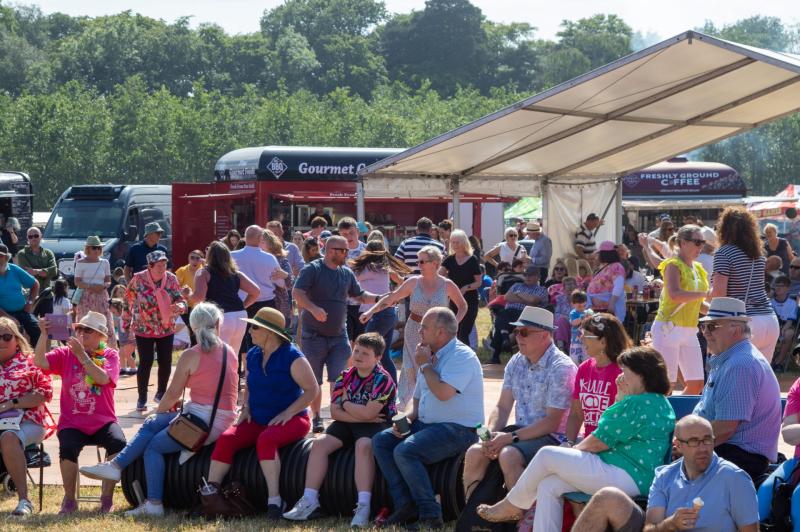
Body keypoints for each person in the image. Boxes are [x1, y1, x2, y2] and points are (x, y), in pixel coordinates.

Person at [477, 346, 675, 531]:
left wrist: (570, 451)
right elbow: (614, 430)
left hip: (625, 474)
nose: (621, 377)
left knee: (547, 454)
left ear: (642, 373)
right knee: (550, 484)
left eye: (626, 372)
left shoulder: (638, 403)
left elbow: (599, 441)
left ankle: (513, 505)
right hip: (631, 475)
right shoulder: (658, 402)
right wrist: (621, 397)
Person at [79, 303, 239, 517]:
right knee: (153, 424)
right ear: (218, 324)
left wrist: (157, 411)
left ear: (192, 327)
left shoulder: (192, 355)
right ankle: (116, 466)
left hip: (203, 423)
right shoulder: (229, 351)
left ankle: (153, 502)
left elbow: (172, 394)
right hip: (219, 419)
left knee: (153, 446)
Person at [373, 308, 484, 529]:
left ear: (441, 332)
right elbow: (417, 402)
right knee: (382, 441)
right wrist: (404, 421)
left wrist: (424, 365)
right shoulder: (428, 353)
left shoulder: (462, 356)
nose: (418, 330)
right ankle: (405, 505)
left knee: (405, 451)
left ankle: (430, 515)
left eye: (424, 326)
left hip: (459, 430)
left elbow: (443, 393)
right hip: (427, 425)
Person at [205, 307, 318, 519]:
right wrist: (246, 407)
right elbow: (249, 386)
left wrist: (288, 412)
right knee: (227, 438)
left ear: (269, 331)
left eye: (254, 327)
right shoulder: (254, 355)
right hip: (257, 418)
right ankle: (211, 497)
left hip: (294, 419)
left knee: (266, 439)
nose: (250, 331)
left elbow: (313, 390)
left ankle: (275, 501)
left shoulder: (292, 356)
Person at [284, 333, 396, 527]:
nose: (359, 356)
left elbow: (370, 415)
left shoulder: (382, 379)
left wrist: (346, 402)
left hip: (377, 424)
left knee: (363, 445)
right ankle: (309, 499)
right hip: (349, 422)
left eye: (365, 353)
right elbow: (335, 413)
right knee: (319, 443)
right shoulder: (345, 375)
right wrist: (359, 413)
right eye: (356, 351)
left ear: (378, 358)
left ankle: (363, 505)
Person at [462, 307, 576, 500]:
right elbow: (502, 406)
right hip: (520, 433)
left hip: (552, 438)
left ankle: (521, 521)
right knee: (475, 452)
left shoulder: (561, 367)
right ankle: (472, 516)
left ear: (545, 335)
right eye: (516, 331)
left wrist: (508, 438)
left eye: (524, 332)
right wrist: (490, 436)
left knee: (509, 455)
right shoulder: (516, 361)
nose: (518, 337)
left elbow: (552, 423)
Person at [572, 415, 759, 532]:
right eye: (694, 441)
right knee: (606, 497)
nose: (702, 448)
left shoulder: (735, 478)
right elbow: (650, 528)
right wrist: (671, 524)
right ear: (678, 446)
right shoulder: (665, 476)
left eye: (707, 440)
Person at [35, 311, 125, 514]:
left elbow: (102, 379)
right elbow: (39, 362)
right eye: (80, 329)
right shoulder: (65, 354)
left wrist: (82, 356)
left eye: (89, 330)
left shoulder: (110, 355)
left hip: (103, 421)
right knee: (67, 447)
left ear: (101, 337)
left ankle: (107, 498)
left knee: (118, 443)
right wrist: (42, 334)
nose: (82, 333)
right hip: (72, 422)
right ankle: (69, 500)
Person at [293, 235, 384, 433]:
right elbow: (297, 293)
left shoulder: (346, 273)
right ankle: (316, 416)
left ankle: (337, 416)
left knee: (340, 378)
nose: (344, 254)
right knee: (314, 380)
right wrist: (313, 308)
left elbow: (359, 295)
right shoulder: (313, 269)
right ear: (327, 249)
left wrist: (379, 298)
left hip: (338, 336)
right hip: (313, 336)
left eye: (346, 251)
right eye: (340, 250)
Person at [361, 245, 467, 409]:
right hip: (414, 330)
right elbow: (391, 298)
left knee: (434, 368)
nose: (419, 265)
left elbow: (463, 306)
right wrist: (371, 311)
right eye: (418, 261)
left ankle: (431, 405)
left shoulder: (447, 284)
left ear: (435, 263)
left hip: (439, 335)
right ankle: (404, 408)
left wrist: (453, 326)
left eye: (422, 261)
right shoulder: (413, 282)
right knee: (411, 369)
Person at [694, 296, 781, 480]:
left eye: (712, 326)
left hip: (736, 458)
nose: (705, 333)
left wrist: (689, 444)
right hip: (727, 452)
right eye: (703, 326)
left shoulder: (740, 364)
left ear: (737, 329)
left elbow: (725, 428)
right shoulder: (731, 359)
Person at [0, 317, 53, 517]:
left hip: (29, 421)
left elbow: (44, 393)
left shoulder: (31, 362)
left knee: (8, 437)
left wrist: (10, 404)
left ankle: (24, 501)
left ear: (17, 339)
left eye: (6, 337)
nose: (1, 342)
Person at [711, 207, 779, 360]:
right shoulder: (758, 255)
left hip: (744, 322)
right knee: (760, 381)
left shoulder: (724, 252)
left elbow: (718, 297)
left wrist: (700, 297)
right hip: (769, 321)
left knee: (735, 379)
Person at [122, 250, 187, 412]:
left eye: (164, 265)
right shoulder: (138, 279)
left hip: (165, 326)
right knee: (146, 361)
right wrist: (125, 321)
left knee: (165, 361)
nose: (162, 268)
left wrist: (180, 306)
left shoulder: (171, 279)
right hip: (143, 326)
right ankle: (142, 397)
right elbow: (127, 299)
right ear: (150, 266)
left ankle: (161, 393)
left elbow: (180, 298)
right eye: (158, 265)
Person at [651, 224, 710, 394]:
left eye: (703, 242)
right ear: (683, 243)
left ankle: (679, 419)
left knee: (697, 384)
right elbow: (675, 294)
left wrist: (718, 314)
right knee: (666, 386)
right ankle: (666, 420)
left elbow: (697, 304)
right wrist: (703, 294)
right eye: (697, 242)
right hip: (668, 329)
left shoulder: (698, 269)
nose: (701, 246)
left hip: (690, 330)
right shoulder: (673, 264)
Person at [188, 241, 259, 364]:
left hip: (220, 317)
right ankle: (232, 382)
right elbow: (256, 292)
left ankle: (219, 382)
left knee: (218, 356)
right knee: (233, 356)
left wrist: (187, 295)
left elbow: (198, 298)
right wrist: (242, 306)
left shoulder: (203, 272)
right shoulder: (236, 274)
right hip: (240, 315)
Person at [350, 240, 410, 384]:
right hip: (388, 313)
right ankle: (392, 388)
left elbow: (352, 277)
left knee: (367, 350)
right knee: (383, 356)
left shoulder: (368, 268)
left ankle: (367, 385)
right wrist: (394, 294)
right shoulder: (385, 268)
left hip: (378, 314)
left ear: (367, 252)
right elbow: (401, 281)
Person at [565, 313, 628, 445]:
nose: (581, 338)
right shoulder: (584, 369)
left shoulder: (623, 373)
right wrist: (568, 443)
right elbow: (576, 414)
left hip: (611, 447)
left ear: (603, 341)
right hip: (587, 444)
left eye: (586, 334)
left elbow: (621, 424)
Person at [232, 225, 287, 351]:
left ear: (245, 237)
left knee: (239, 339)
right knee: (265, 341)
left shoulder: (232, 256)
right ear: (260, 238)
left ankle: (242, 369)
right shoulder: (269, 258)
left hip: (241, 303)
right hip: (265, 304)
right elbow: (280, 283)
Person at [758, 364, 800, 526]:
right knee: (765, 492)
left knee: (798, 498)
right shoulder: (798, 386)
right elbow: (788, 434)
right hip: (797, 460)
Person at [489, 264, 549, 364]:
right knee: (502, 315)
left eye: (531, 275)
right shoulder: (517, 285)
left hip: (527, 314)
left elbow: (534, 300)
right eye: (526, 275)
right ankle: (505, 339)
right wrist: (526, 299)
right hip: (509, 313)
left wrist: (517, 294)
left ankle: (498, 351)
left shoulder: (541, 289)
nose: (527, 277)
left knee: (502, 320)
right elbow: (507, 297)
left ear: (538, 277)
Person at [440, 229, 482, 347]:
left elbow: (478, 282)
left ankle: (465, 359)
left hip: (470, 301)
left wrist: (465, 288)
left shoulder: (472, 260)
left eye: (457, 242)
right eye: (452, 242)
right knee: (454, 331)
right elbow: (438, 276)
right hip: (453, 301)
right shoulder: (449, 260)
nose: (455, 245)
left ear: (464, 243)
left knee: (464, 333)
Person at [74, 236, 116, 349]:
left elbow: (108, 280)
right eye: (94, 248)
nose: (97, 250)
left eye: (98, 248)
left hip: (101, 295)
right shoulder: (80, 262)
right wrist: (90, 287)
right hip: (86, 296)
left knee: (105, 323)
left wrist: (102, 287)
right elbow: (77, 281)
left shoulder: (105, 262)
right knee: (86, 324)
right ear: (88, 249)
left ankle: (109, 352)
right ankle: (83, 350)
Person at [0, 243, 40, 345]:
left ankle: (33, 358)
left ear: (6, 257)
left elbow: (35, 284)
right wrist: (8, 317)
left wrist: (30, 302)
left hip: (21, 312)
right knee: (12, 336)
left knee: (37, 329)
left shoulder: (14, 269)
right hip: (2, 315)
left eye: (0, 256)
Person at [15, 226, 57, 317]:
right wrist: (45, 271)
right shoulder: (22, 254)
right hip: (30, 297)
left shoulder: (48, 253)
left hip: (47, 295)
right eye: (30, 237)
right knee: (31, 327)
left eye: (36, 235)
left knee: (47, 326)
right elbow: (27, 274)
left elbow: (54, 271)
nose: (33, 238)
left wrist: (36, 271)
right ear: (27, 239)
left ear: (40, 236)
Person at [587, 240, 627, 322]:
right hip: (598, 309)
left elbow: (618, 287)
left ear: (604, 254)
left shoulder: (617, 267)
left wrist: (612, 304)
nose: (597, 256)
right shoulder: (603, 267)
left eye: (599, 253)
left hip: (608, 309)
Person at [262, 229, 294, 325]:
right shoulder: (253, 259)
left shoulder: (281, 259)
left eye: (263, 241)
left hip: (279, 305)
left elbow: (291, 284)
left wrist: (286, 275)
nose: (260, 244)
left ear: (270, 243)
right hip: (259, 304)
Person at [175, 249, 204, 345]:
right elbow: (175, 288)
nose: (194, 260)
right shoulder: (182, 271)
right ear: (188, 259)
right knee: (192, 328)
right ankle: (194, 348)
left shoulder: (205, 270)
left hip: (201, 305)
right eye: (192, 258)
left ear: (201, 260)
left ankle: (198, 347)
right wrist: (182, 293)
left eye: (197, 258)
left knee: (199, 329)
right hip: (187, 306)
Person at [770, 275, 798, 372]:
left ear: (787, 288)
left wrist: (783, 329)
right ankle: (768, 361)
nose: (778, 288)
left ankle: (779, 362)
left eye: (781, 286)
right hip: (773, 325)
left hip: (786, 326)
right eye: (776, 286)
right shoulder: (770, 301)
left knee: (788, 333)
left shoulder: (792, 302)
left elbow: (790, 320)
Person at [568, 291, 593, 366]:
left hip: (586, 339)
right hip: (576, 340)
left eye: (584, 306)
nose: (582, 308)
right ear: (573, 304)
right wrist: (582, 318)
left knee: (587, 355)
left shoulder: (587, 312)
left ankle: (586, 368)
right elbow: (573, 323)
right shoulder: (573, 313)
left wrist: (591, 316)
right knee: (575, 358)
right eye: (579, 306)